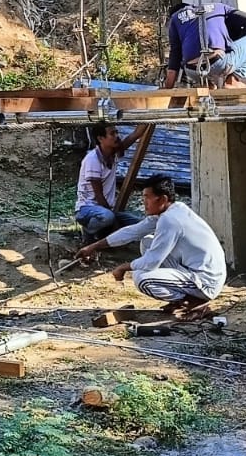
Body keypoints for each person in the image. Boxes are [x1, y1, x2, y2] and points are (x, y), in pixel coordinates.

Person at [77, 174, 226, 314]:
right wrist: (93, 247)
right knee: (147, 241)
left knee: (142, 279)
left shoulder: (170, 220)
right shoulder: (171, 211)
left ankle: (193, 302)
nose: (144, 203)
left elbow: (151, 262)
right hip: (194, 270)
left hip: (205, 281)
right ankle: (185, 298)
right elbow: (132, 231)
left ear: (162, 199)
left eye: (147, 198)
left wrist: (123, 268)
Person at [162, 2, 246, 88]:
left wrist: (168, 88)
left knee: (196, 60)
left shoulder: (175, 19)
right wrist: (234, 45)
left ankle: (208, 86)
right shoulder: (219, 7)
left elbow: (175, 55)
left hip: (192, 71)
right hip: (218, 63)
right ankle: (234, 79)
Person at [74, 122, 141, 242]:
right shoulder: (92, 160)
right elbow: (99, 196)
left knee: (139, 223)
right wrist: (114, 222)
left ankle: (102, 233)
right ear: (100, 138)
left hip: (106, 210)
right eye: (112, 133)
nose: (116, 136)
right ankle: (88, 231)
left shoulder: (113, 153)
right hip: (87, 209)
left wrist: (148, 119)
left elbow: (135, 135)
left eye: (116, 132)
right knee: (108, 217)